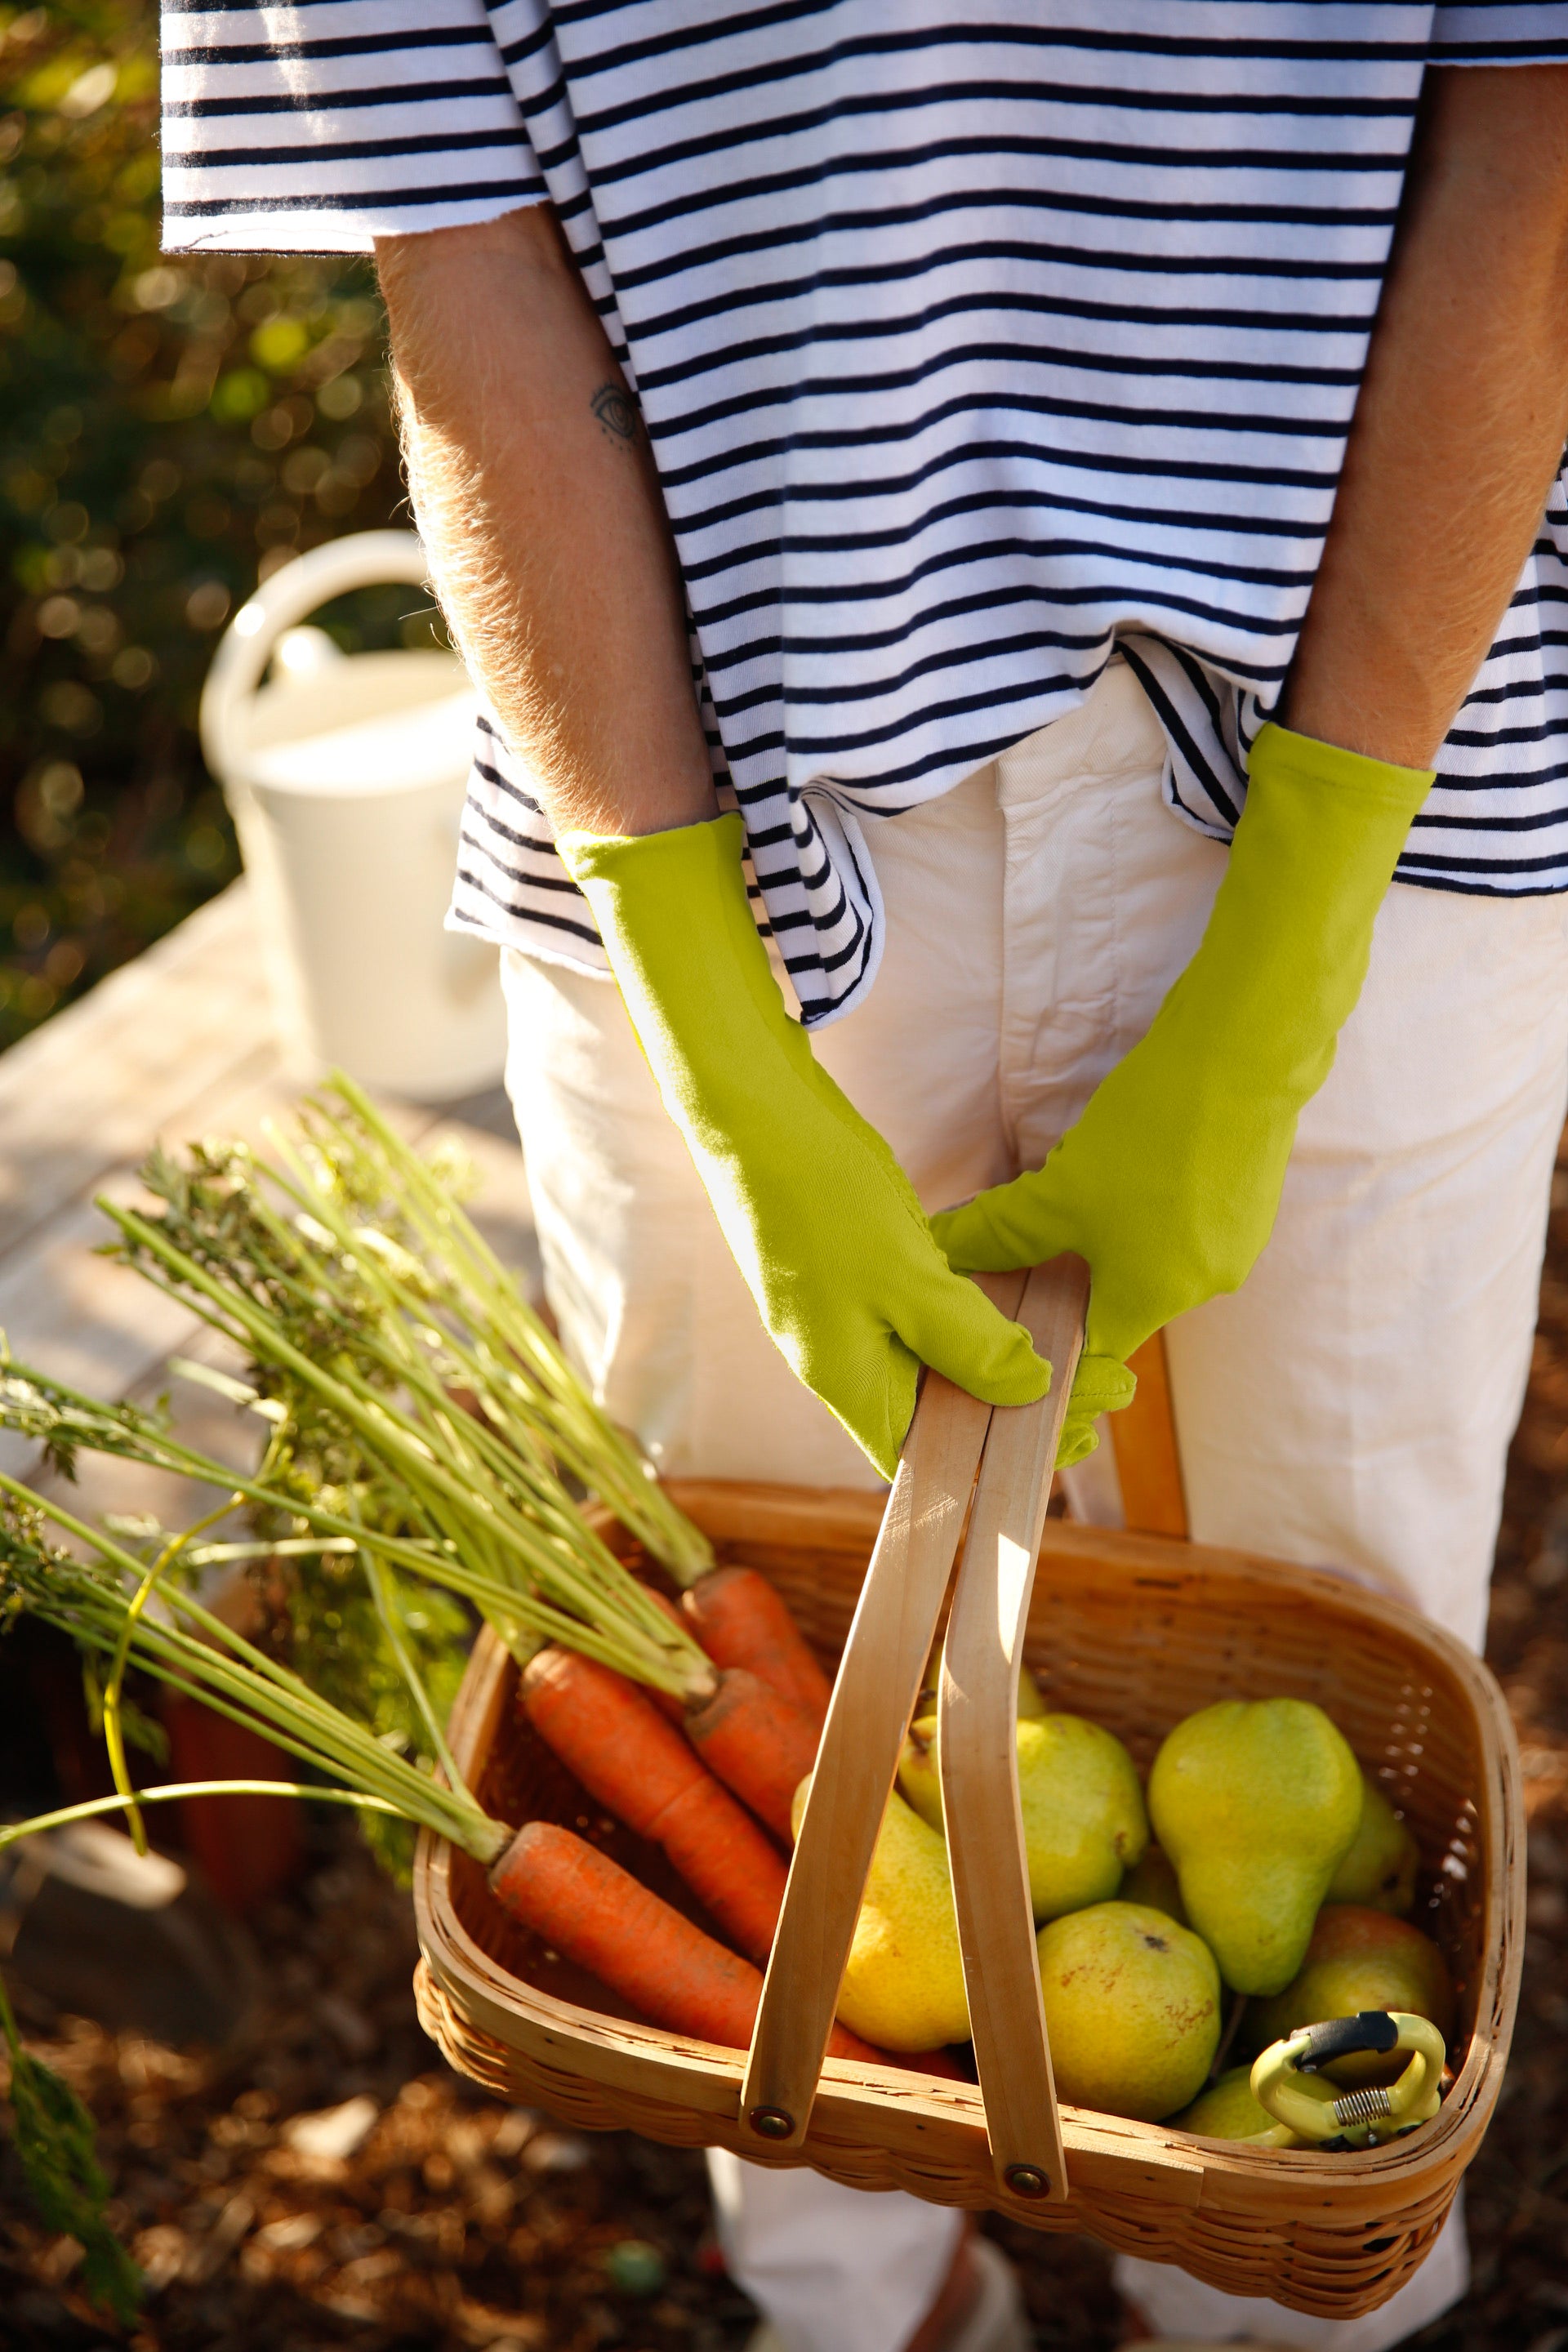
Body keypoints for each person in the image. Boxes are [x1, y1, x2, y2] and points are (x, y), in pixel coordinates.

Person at [161, 8, 1568, 2349]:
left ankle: (1278, 2299)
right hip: (690, 788)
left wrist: (1287, 954)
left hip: (1379, 732)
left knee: (1334, 1732)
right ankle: (859, 2299)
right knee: (771, 1686)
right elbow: (469, 267)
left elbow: (1540, 128)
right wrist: (723, 1045)